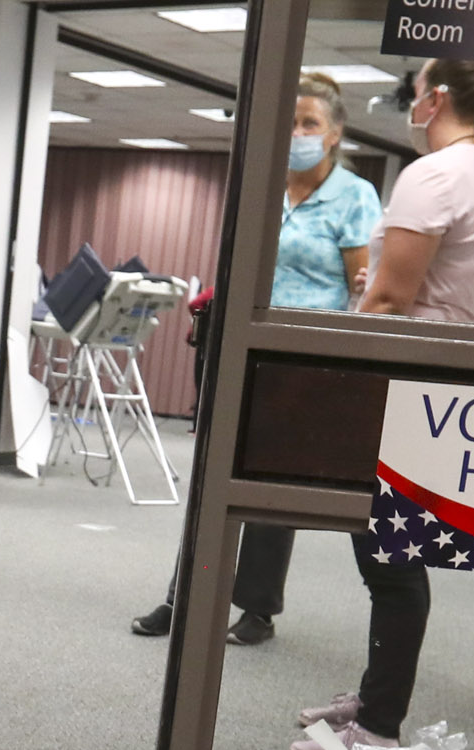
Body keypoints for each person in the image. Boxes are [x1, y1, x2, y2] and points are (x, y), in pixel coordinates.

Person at [290, 58, 474, 750]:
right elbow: (424, 287)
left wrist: (348, 365)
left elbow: (387, 305)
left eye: (413, 95)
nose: (410, 105)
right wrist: (375, 283)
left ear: (435, 98)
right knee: (392, 562)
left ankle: (378, 726)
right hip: (434, 387)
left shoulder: (437, 174)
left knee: (392, 566)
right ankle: (375, 698)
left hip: (398, 391)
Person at [134, 74, 381, 645]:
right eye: (289, 123)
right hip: (244, 346)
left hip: (306, 360)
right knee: (213, 480)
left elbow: (361, 290)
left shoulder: (354, 197)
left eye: (309, 124)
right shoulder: (262, 187)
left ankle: (257, 610)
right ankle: (186, 595)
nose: (296, 133)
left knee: (271, 491)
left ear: (335, 133)